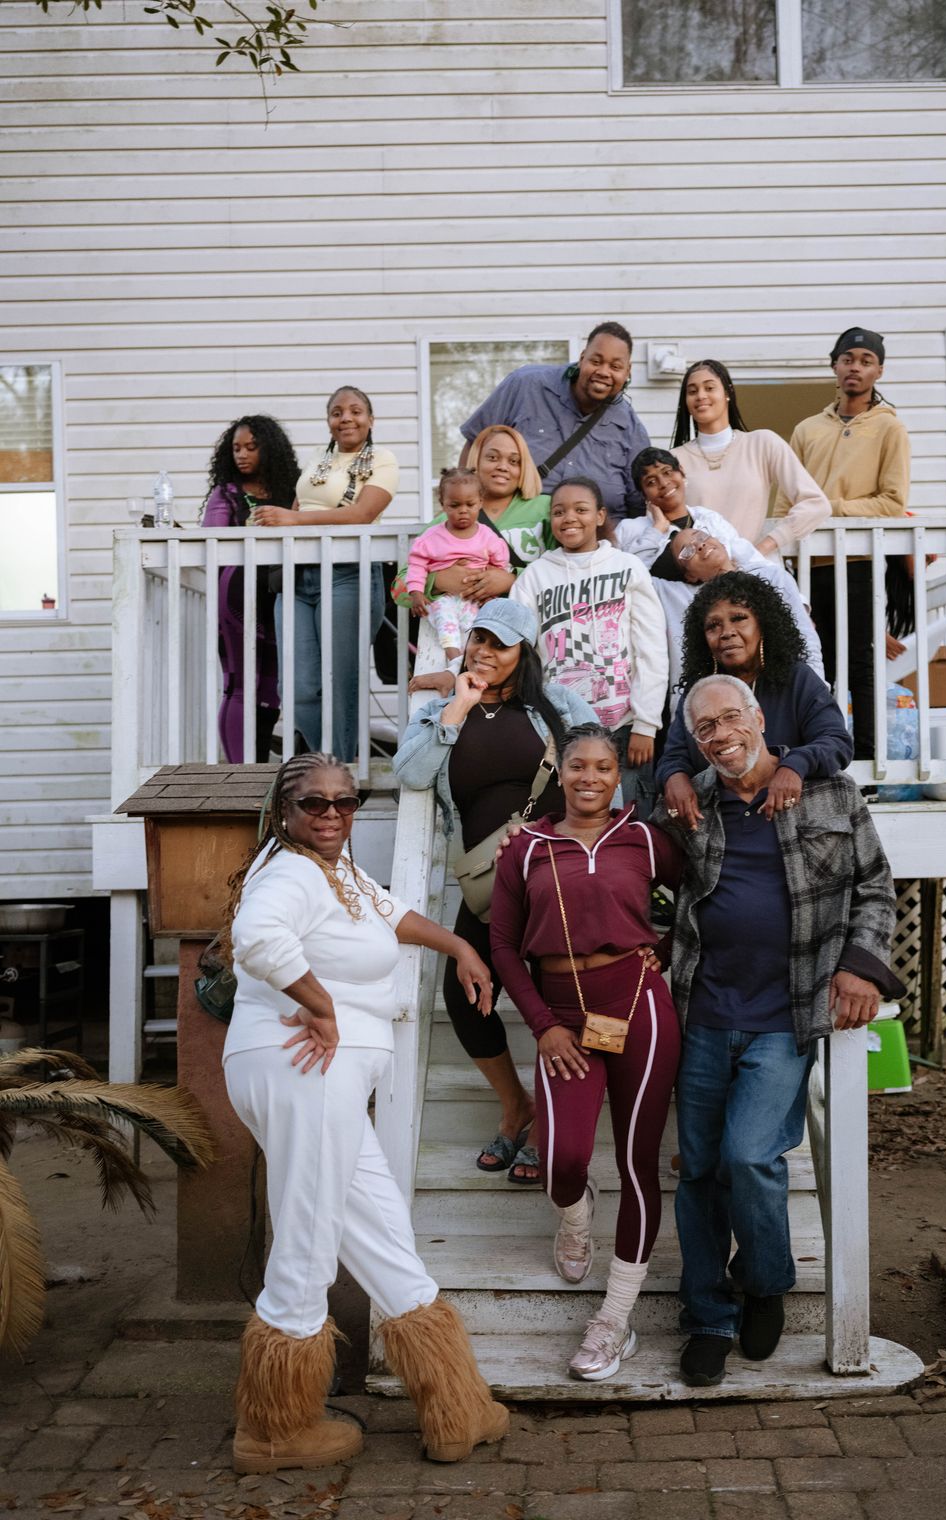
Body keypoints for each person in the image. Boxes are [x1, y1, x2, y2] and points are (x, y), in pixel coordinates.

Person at [222, 752, 508, 1471]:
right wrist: (318, 1006)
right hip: (305, 1069)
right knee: (309, 1238)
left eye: (344, 803)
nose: (330, 815)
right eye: (312, 804)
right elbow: (256, 940)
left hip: (327, 1078)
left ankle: (455, 1408)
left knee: (380, 1228)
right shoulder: (286, 871)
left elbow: (389, 912)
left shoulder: (338, 871)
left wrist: (457, 949)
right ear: (283, 812)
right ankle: (274, 1429)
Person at [656, 675, 904, 1387]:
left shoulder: (831, 795)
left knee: (751, 1157)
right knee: (699, 1170)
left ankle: (765, 1281)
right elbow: (649, 885)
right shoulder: (687, 803)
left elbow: (877, 887)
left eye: (731, 717)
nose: (720, 734)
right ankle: (707, 1314)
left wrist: (860, 967)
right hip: (702, 1011)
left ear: (759, 718)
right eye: (704, 728)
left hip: (784, 1014)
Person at [490, 724, 683, 1380]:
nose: (592, 778)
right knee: (560, 1159)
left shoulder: (646, 839)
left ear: (618, 775)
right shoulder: (527, 848)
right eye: (579, 766)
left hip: (639, 1007)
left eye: (604, 766)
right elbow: (502, 946)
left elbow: (704, 896)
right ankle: (575, 1216)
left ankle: (613, 1322)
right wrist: (541, 1023)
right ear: (561, 773)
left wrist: (672, 946)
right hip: (562, 1020)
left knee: (637, 1164)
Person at [393, 600, 596, 1183]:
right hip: (488, 884)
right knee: (466, 995)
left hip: (555, 878)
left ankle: (553, 1120)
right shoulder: (438, 711)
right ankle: (517, 1105)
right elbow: (411, 773)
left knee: (557, 996)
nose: (484, 651)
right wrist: (457, 701)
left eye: (500, 644)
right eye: (478, 639)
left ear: (523, 654)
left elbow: (597, 770)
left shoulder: (557, 705)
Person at [777, 327, 911, 760]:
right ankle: (824, 753)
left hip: (859, 562)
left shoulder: (889, 428)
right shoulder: (806, 429)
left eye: (866, 360)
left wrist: (827, 508)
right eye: (848, 358)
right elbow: (785, 501)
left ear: (879, 370)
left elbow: (892, 503)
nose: (856, 367)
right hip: (809, 566)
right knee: (817, 662)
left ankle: (869, 757)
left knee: (860, 662)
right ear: (834, 364)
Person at [253, 385, 399, 762]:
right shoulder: (319, 458)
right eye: (337, 412)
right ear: (329, 421)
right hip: (298, 576)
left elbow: (362, 514)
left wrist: (294, 519)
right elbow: (300, 508)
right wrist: (280, 521)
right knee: (298, 685)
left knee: (340, 683)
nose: (345, 418)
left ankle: (341, 772)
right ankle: (322, 765)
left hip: (348, 574)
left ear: (370, 419)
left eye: (355, 411)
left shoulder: (383, 459)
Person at [509, 476, 668, 816]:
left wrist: (646, 723)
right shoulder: (535, 577)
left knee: (630, 820)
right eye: (559, 511)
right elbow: (518, 648)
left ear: (599, 516)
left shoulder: (627, 567)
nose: (569, 518)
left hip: (624, 726)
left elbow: (651, 648)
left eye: (580, 510)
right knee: (571, 819)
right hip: (561, 727)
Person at [657, 570, 853, 829]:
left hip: (793, 818)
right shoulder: (700, 690)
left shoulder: (797, 679)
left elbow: (836, 741)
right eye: (713, 626)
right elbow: (674, 755)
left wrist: (793, 765)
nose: (726, 632)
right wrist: (674, 777)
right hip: (719, 821)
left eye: (739, 619)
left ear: (762, 624)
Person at [618, 448, 824, 686]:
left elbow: (749, 558)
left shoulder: (709, 519)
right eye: (651, 482)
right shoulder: (632, 530)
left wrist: (797, 603)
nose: (664, 484)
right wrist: (657, 529)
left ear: (681, 473)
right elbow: (633, 577)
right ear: (642, 492)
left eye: (667, 473)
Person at [459, 323, 651, 521]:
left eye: (615, 366)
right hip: (515, 536)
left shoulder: (630, 427)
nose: (604, 371)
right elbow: (476, 442)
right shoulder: (526, 385)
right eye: (596, 361)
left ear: (628, 371)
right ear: (582, 358)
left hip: (599, 544)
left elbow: (640, 503)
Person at [200, 414, 300, 762]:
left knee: (270, 688)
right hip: (236, 598)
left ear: (269, 450)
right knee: (241, 684)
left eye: (251, 447)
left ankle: (257, 766)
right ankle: (241, 771)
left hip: (278, 595)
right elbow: (212, 547)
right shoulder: (225, 494)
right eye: (237, 448)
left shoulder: (292, 492)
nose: (242, 455)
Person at [398, 426, 554, 626]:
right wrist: (437, 581)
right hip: (461, 634)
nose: (503, 467)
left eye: (514, 461)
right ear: (476, 462)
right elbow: (398, 589)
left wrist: (512, 579)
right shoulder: (445, 522)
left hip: (531, 625)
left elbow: (563, 566)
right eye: (492, 458)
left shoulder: (545, 508)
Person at [669, 359, 830, 553]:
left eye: (709, 388)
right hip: (699, 578)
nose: (701, 395)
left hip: (753, 573)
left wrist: (764, 547)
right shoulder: (674, 460)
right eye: (692, 391)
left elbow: (816, 504)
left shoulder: (762, 443)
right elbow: (662, 526)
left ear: (727, 393)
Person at [407, 467, 511, 666]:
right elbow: (417, 563)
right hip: (444, 596)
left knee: (485, 622)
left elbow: (500, 564)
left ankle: (475, 659)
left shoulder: (487, 536)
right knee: (444, 614)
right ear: (443, 505)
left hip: (476, 599)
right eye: (455, 505)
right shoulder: (432, 537)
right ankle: (454, 656)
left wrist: (493, 582)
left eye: (470, 504)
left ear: (480, 502)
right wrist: (416, 591)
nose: (463, 510)